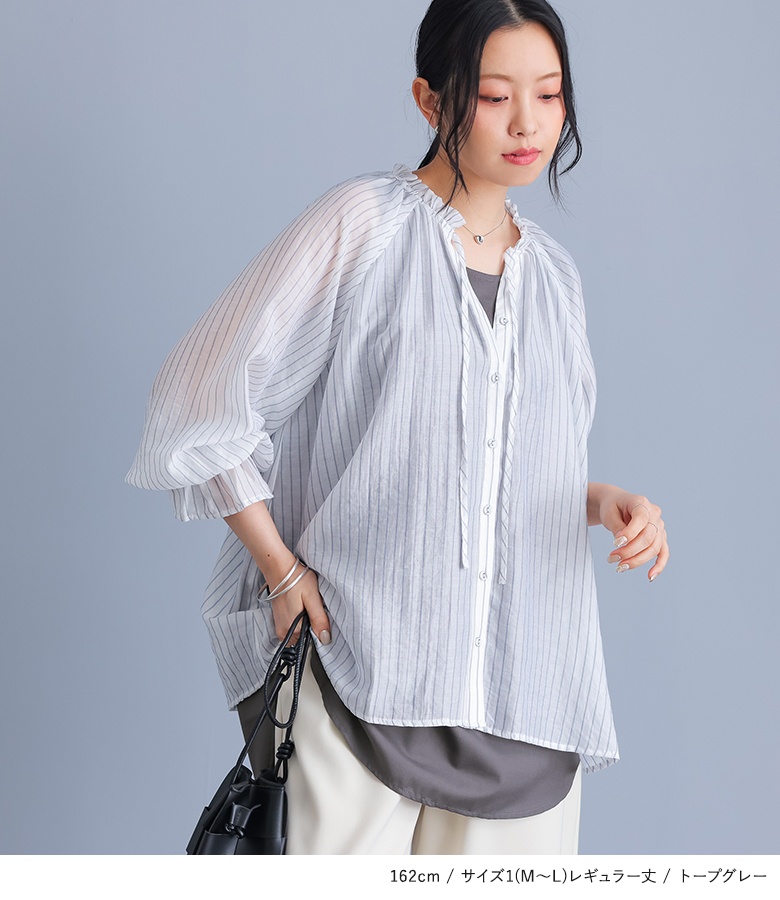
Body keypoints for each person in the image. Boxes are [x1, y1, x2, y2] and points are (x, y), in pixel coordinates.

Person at [127, 0, 669, 855]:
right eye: (495, 96)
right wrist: (279, 571)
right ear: (430, 99)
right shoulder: (363, 227)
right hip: (358, 675)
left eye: (549, 94)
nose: (528, 124)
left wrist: (603, 503)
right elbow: (197, 397)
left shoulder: (555, 279)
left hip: (525, 698)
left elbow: (500, 464)